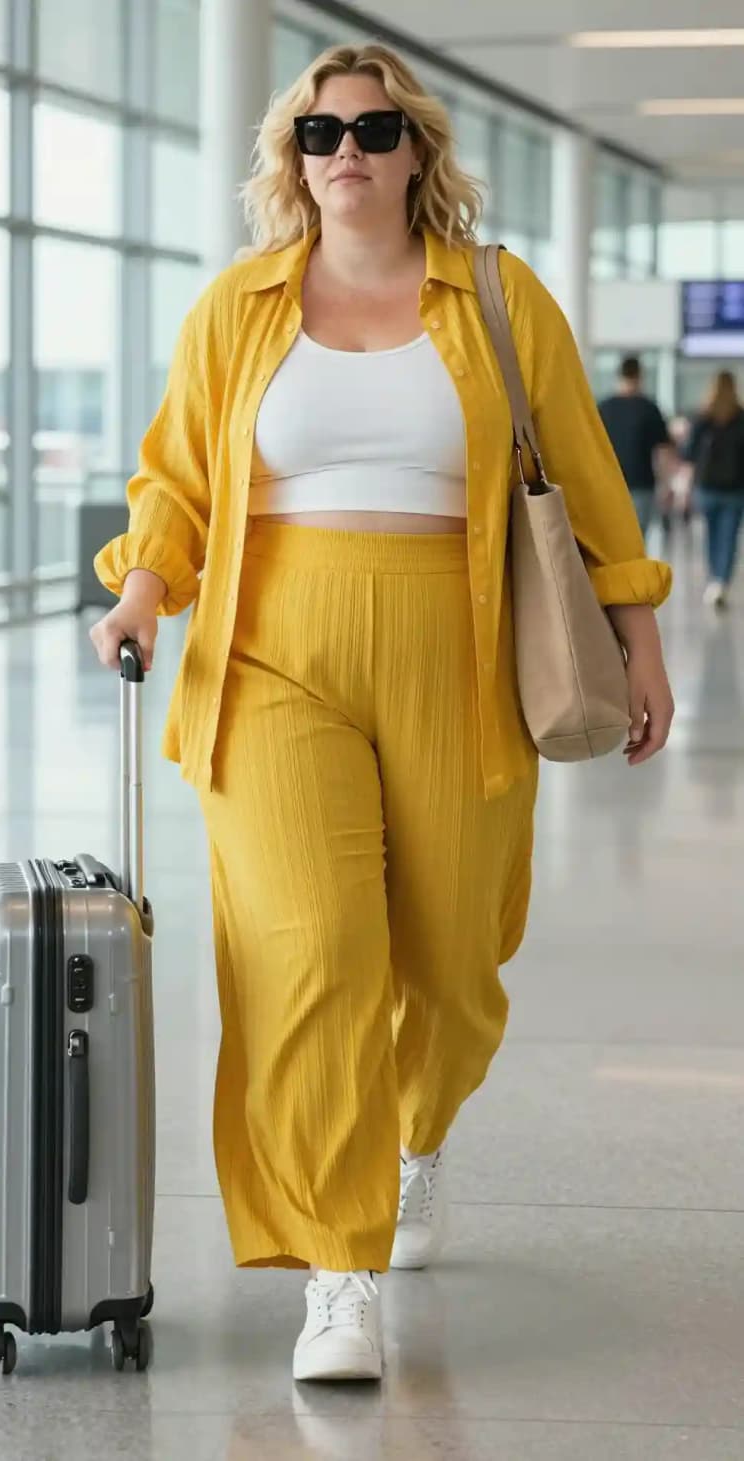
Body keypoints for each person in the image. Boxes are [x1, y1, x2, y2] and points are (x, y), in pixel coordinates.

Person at [90, 44, 674, 1384]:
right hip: (272, 655)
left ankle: (416, 1137)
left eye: (368, 128)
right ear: (290, 161)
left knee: (455, 965)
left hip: (459, 654)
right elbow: (175, 483)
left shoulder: (500, 299)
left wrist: (639, 635)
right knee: (312, 952)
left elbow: (584, 480)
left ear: (416, 151)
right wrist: (142, 592)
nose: (341, 152)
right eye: (315, 133)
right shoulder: (237, 308)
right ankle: (338, 1270)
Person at [598, 356, 678, 542]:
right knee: (637, 541)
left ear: (618, 375)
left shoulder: (603, 409)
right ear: (640, 376)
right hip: (642, 485)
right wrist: (666, 485)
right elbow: (663, 452)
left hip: (609, 484)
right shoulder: (650, 409)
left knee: (612, 541)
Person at [683, 370, 744, 609]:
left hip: (706, 488)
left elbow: (688, 453)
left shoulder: (703, 418)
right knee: (728, 538)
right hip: (735, 489)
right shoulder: (741, 418)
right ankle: (721, 582)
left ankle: (713, 580)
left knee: (710, 536)